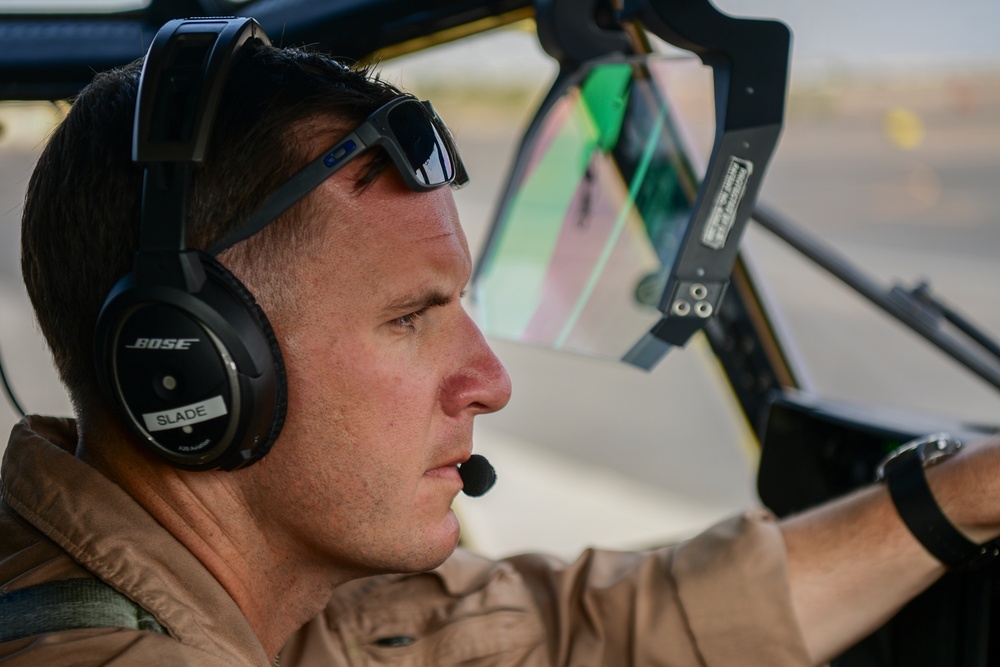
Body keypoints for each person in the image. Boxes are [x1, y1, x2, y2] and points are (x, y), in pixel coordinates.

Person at [2, 19, 1000, 667]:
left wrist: (964, 490)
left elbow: (601, 625)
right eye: (408, 317)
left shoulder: (311, 598)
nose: (490, 382)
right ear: (189, 370)